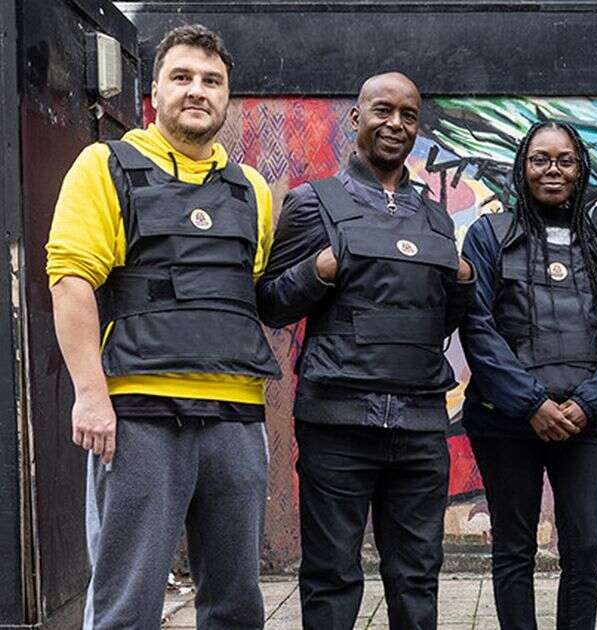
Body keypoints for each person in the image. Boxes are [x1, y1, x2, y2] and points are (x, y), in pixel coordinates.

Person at [47, 24, 278, 629]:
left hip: (236, 420)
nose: (197, 91)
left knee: (237, 604)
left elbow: (245, 288)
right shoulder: (106, 166)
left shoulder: (252, 190)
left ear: (228, 97)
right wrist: (91, 397)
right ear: (154, 91)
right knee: (128, 601)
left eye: (211, 81)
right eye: (182, 78)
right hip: (139, 418)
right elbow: (70, 280)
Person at [255, 72, 474, 629]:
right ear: (356, 119)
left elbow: (439, 318)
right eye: (383, 111)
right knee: (332, 578)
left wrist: (465, 286)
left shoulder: (434, 216)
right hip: (339, 425)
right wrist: (317, 271)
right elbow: (272, 305)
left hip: (420, 425)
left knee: (418, 577)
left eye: (408, 115)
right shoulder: (313, 203)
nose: (395, 124)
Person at [458, 121, 597, 629]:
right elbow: (477, 324)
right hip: (506, 423)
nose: (552, 170)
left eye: (564, 160)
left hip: (586, 424)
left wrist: (589, 403)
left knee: (585, 549)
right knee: (514, 549)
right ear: (523, 167)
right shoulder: (489, 235)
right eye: (540, 159)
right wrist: (531, 403)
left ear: (580, 169)